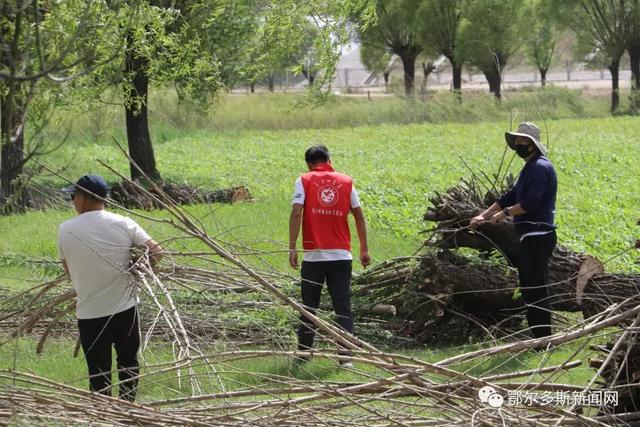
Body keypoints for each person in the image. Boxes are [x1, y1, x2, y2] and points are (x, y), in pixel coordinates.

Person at [57, 175, 162, 400]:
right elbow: (156, 252)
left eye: (73, 197)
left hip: (89, 313)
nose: (73, 202)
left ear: (84, 198)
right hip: (125, 308)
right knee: (128, 363)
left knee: (98, 370)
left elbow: (69, 271)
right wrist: (137, 268)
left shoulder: (66, 229)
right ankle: (126, 411)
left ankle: (103, 416)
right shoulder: (123, 223)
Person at [470, 122, 557, 339]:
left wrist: (506, 214)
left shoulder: (539, 168)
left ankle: (542, 340)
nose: (518, 143)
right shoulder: (529, 168)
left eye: (523, 140)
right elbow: (509, 196)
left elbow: (531, 202)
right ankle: (539, 336)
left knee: (535, 288)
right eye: (516, 140)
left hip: (539, 236)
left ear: (533, 144)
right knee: (529, 287)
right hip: (530, 237)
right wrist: (484, 215)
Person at [289, 145, 371, 367]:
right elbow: (360, 216)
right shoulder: (346, 182)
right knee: (342, 306)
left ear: (308, 163)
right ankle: (345, 359)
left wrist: (292, 247)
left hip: (314, 257)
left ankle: (304, 354)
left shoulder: (304, 180)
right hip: (342, 256)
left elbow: (297, 212)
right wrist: (364, 249)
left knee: (309, 307)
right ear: (329, 160)